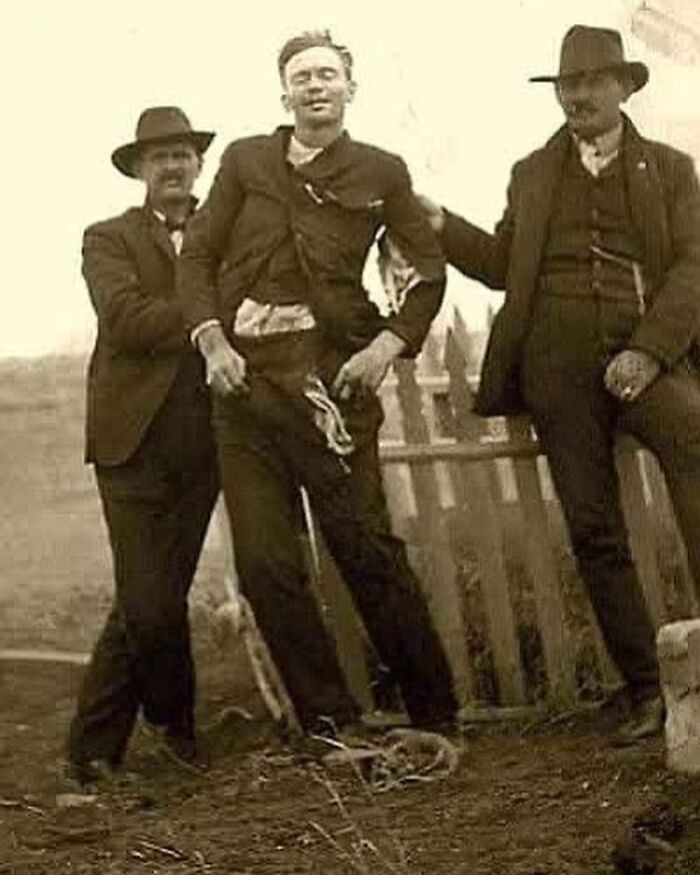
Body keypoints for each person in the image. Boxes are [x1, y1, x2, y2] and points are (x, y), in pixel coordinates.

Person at [421, 25, 700, 743]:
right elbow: (501, 263)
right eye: (566, 85)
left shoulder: (669, 169)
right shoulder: (533, 172)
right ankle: (648, 689)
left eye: (591, 82)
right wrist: (440, 225)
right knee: (592, 525)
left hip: (646, 358)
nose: (576, 96)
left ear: (625, 87)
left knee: (695, 447)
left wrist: (649, 352)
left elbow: (693, 270)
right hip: (557, 369)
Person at [177, 30, 458, 738]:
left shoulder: (381, 172)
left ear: (349, 90)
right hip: (244, 392)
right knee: (266, 563)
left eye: (327, 75)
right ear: (285, 93)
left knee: (364, 549)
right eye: (301, 76)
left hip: (333, 387)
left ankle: (437, 715)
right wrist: (212, 341)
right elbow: (197, 259)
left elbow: (426, 273)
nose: (315, 86)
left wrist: (388, 344)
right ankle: (332, 721)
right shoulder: (245, 161)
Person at [67, 107, 220, 783]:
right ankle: (169, 724)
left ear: (198, 163)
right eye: (156, 157)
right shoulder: (107, 238)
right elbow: (126, 320)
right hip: (129, 444)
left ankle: (100, 749)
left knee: (150, 596)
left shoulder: (225, 229)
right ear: (138, 170)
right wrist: (214, 315)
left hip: (204, 444)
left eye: (181, 154)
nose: (171, 166)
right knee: (149, 600)